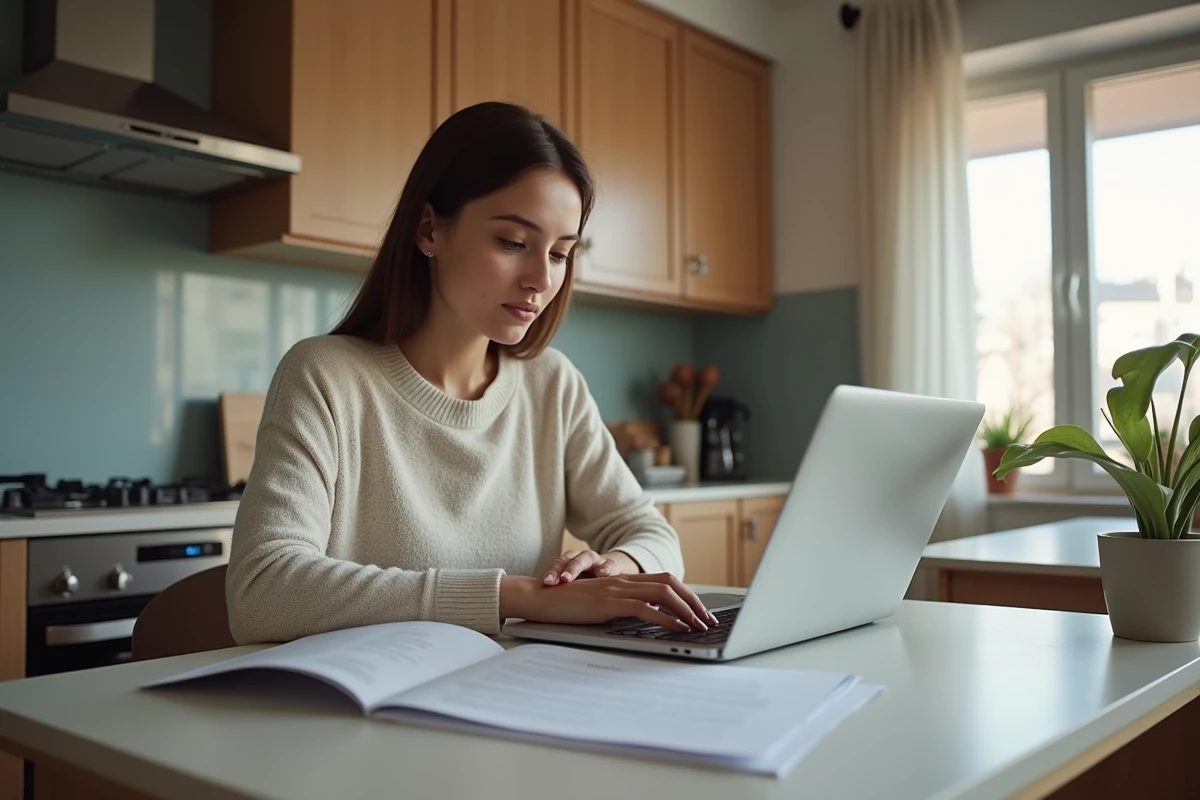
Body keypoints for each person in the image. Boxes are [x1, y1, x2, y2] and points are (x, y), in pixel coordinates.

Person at [225, 101, 717, 644]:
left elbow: (650, 532)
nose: (539, 278)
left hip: (515, 696)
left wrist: (612, 575)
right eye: (512, 243)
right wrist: (516, 597)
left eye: (560, 253)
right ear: (429, 230)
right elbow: (262, 590)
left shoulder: (551, 385)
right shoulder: (324, 376)